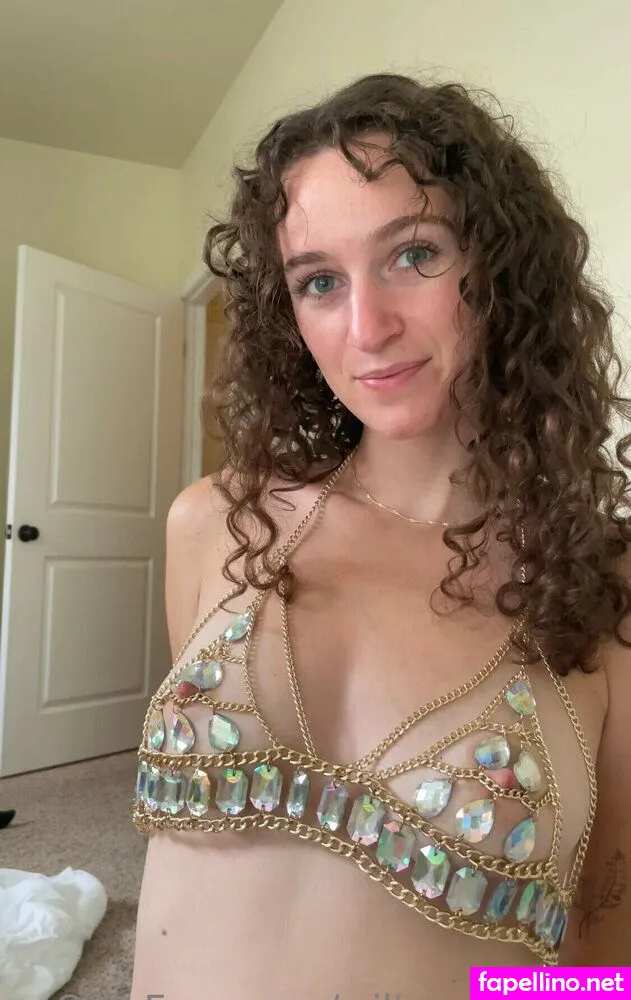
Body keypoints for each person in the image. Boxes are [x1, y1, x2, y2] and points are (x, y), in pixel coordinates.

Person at [130, 73, 630, 999]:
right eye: (319, 281)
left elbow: (606, 947)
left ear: (500, 267)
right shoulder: (216, 523)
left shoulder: (601, 584)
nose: (367, 327)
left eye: (412, 254)